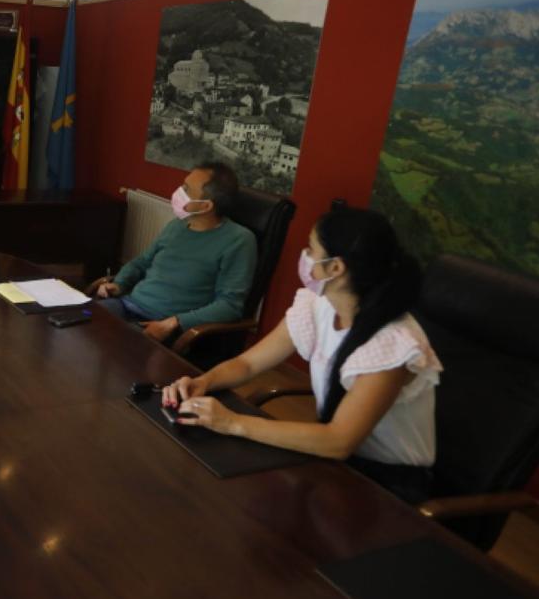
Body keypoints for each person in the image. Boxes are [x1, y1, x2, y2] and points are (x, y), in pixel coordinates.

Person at [161, 207, 442, 502]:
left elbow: (339, 441)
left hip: (387, 485)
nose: (304, 254)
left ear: (336, 268)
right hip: (334, 463)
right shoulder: (318, 305)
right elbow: (248, 363)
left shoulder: (392, 344)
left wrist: (232, 422)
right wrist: (204, 382)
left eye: (311, 248)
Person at [93, 162, 256, 342]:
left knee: (103, 346)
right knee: (75, 324)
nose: (178, 191)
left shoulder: (239, 240)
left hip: (160, 324)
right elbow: (142, 262)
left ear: (206, 206)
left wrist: (175, 322)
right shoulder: (176, 225)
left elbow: (230, 306)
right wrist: (119, 283)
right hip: (127, 305)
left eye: (186, 189)